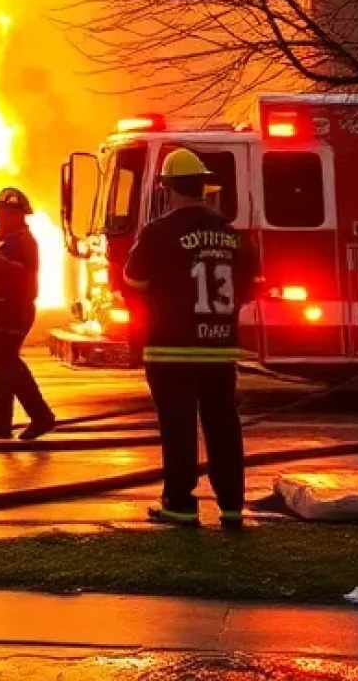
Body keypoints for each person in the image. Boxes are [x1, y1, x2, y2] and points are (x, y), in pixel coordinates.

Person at [124, 148, 261, 528]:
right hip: (219, 348)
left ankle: (180, 504)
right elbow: (251, 286)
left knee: (178, 425)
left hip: (171, 347)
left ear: (167, 188)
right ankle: (232, 505)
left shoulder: (158, 232)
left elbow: (134, 280)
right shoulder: (232, 234)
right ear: (204, 185)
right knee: (223, 424)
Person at [0, 186, 56, 441]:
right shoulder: (0, 239)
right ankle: (0, 422)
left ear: (18, 214)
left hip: (13, 311)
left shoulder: (20, 242)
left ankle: (41, 416)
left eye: (3, 213)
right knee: (0, 364)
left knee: (8, 363)